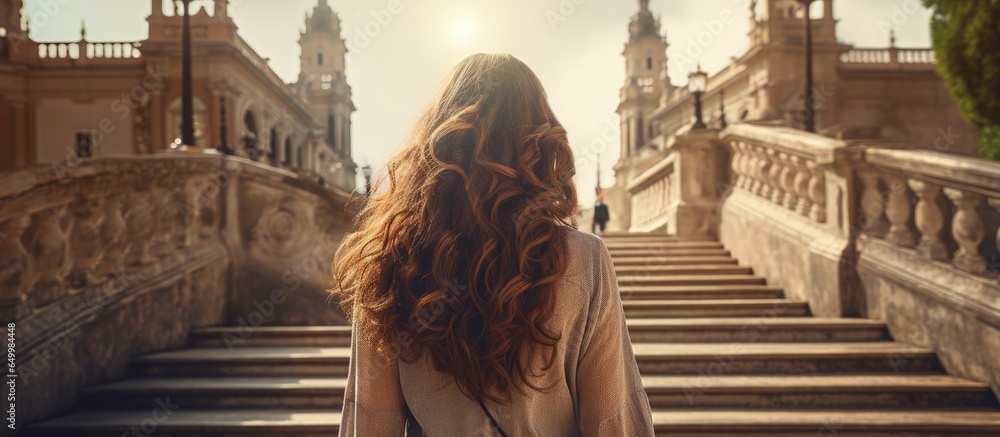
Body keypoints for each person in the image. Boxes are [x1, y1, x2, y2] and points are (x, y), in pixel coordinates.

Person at [331, 53, 654, 436]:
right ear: (537, 139)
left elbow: (369, 419)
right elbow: (611, 421)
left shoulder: (388, 260)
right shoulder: (582, 259)